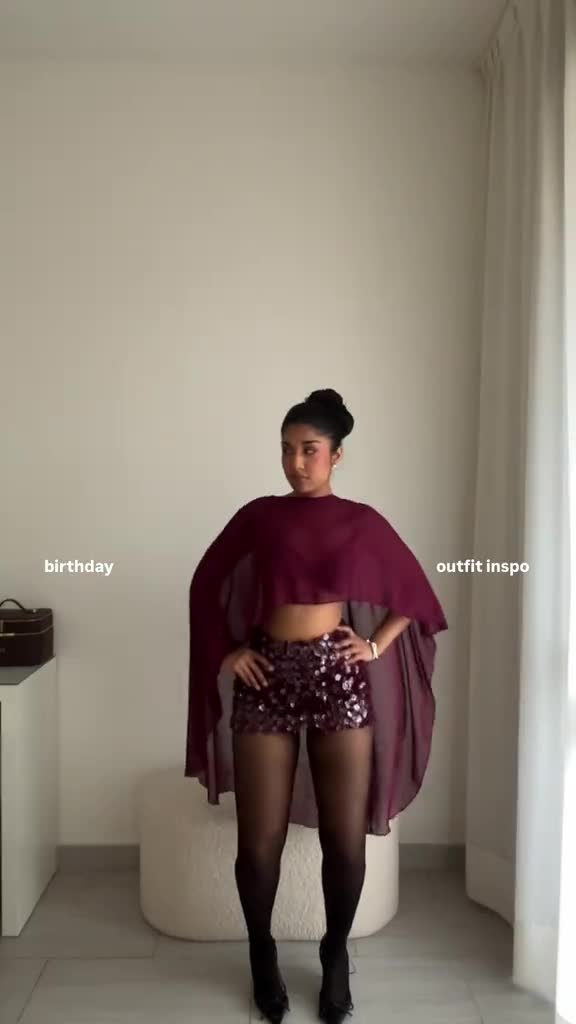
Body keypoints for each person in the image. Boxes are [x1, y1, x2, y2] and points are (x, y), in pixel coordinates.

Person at [185, 388, 448, 1024]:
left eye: (309, 450)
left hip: (338, 678)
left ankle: (334, 955)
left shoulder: (361, 521)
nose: (296, 462)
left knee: (345, 840)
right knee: (259, 842)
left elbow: (414, 594)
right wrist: (227, 652)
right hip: (266, 678)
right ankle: (262, 952)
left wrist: (376, 645)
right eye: (286, 450)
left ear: (337, 455)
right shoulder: (259, 516)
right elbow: (205, 583)